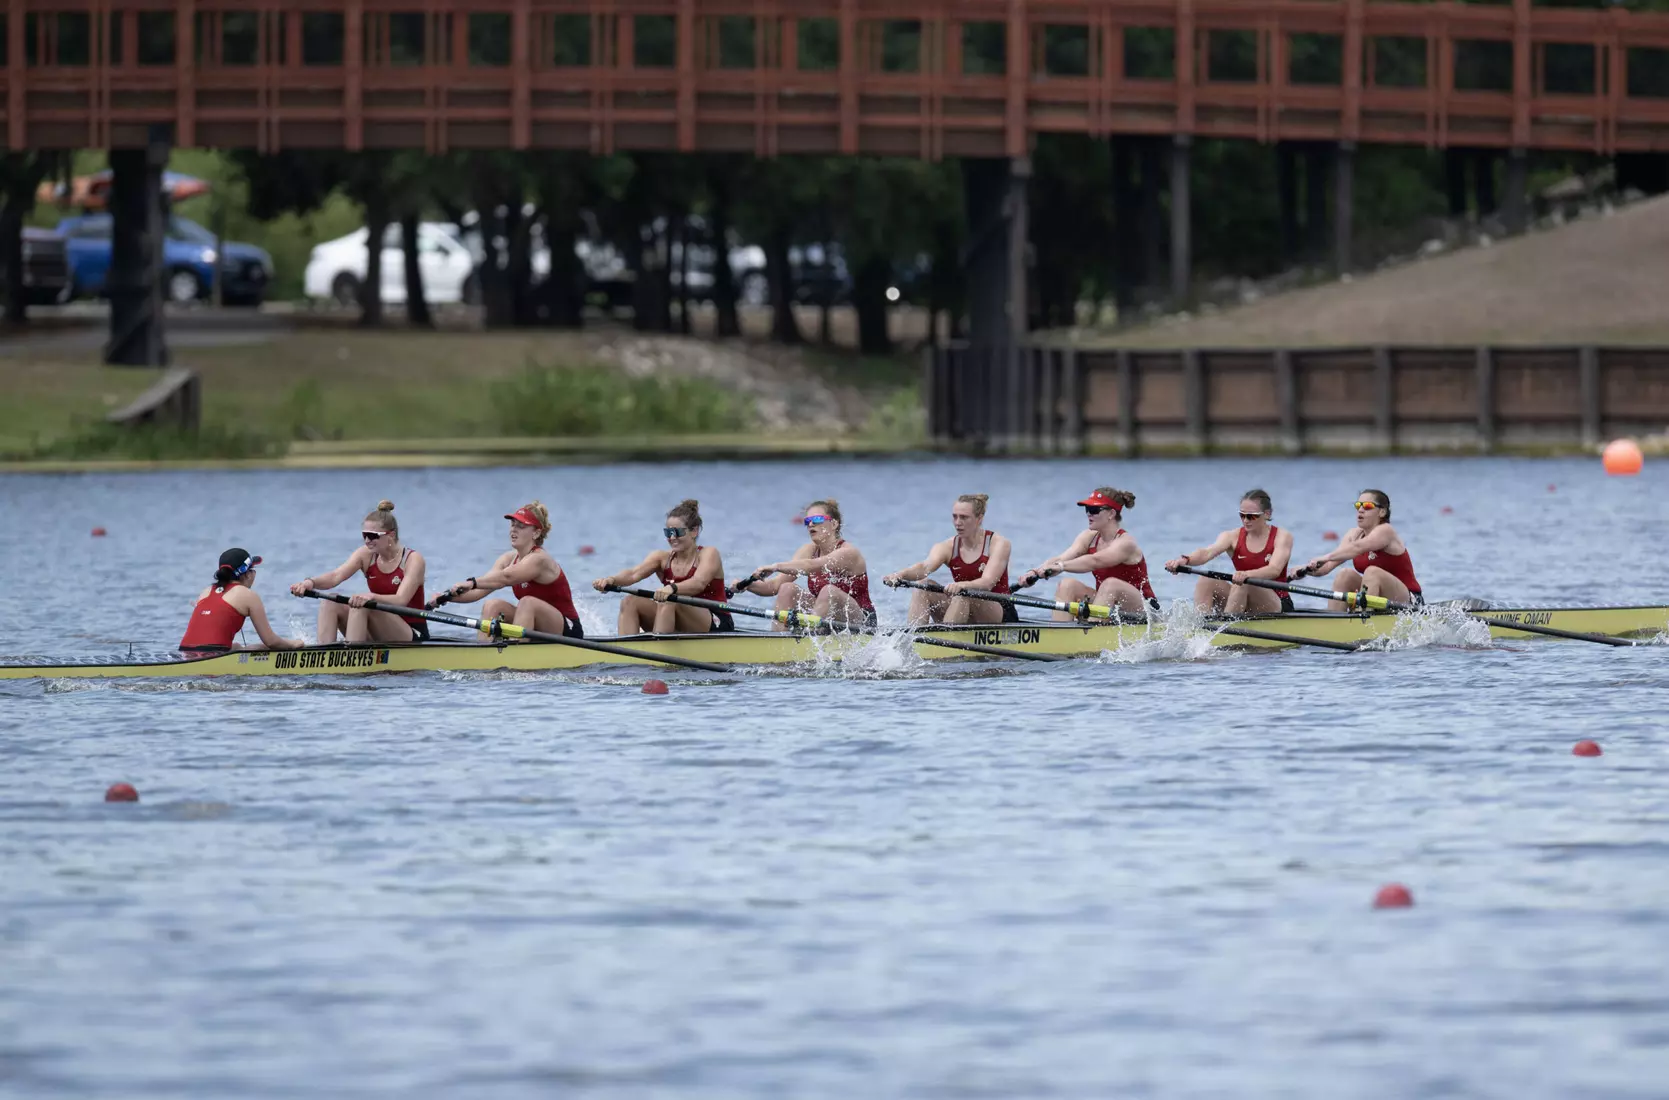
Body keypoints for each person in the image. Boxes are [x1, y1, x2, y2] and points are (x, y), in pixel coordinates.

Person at [434, 501, 584, 637]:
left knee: (527, 603)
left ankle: (516, 658)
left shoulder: (539, 559)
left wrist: (472, 582)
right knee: (492, 605)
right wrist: (444, 597)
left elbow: (506, 578)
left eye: (521, 526)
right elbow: (478, 591)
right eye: (513, 524)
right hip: (536, 626)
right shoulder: (507, 559)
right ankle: (483, 656)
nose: (514, 530)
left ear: (536, 533)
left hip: (566, 628)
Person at [290, 500, 429, 643]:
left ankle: (353, 656)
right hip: (378, 628)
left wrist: (371, 597)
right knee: (330, 602)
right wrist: (309, 583)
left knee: (362, 605)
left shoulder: (413, 560)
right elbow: (335, 576)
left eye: (373, 535)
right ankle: (323, 656)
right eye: (365, 535)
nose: (367, 541)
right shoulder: (366, 555)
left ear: (391, 535)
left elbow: (401, 600)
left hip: (411, 632)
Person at [592, 499, 733, 635]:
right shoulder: (661, 558)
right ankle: (625, 651)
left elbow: (698, 583)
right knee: (629, 601)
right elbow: (633, 574)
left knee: (669, 599)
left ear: (694, 531)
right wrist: (611, 580)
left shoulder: (709, 554)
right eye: (668, 533)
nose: (672, 538)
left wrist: (672, 588)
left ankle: (658, 648)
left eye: (677, 532)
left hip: (715, 619)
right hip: (676, 612)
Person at [733, 498, 877, 631]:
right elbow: (774, 586)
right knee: (787, 588)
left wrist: (776, 566)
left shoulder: (848, 552)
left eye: (817, 519)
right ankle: (778, 641)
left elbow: (810, 565)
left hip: (861, 622)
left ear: (834, 524)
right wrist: (746, 585)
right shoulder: (808, 550)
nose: (811, 524)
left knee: (829, 591)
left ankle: (810, 640)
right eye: (807, 521)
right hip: (825, 618)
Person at [1017, 487, 1157, 621]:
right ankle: (1059, 635)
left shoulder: (1126, 543)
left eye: (1094, 510)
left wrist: (1061, 567)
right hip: (1109, 605)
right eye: (1087, 509)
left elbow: (1095, 561)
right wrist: (1035, 572)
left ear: (1111, 514)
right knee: (1067, 584)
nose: (1089, 514)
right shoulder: (1089, 537)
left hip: (1143, 611)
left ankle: (1091, 632)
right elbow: (1061, 558)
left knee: (1110, 585)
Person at [882, 493, 1016, 625]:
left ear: (979, 519)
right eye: (955, 517)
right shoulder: (947, 547)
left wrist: (962, 585)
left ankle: (946, 642)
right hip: (962, 603)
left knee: (964, 594)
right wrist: (900, 575)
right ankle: (913, 640)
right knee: (923, 587)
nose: (958, 523)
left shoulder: (999, 544)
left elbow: (987, 582)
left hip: (999, 610)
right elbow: (924, 567)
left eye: (964, 517)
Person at [1163, 489, 1295, 614]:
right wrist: (1185, 560)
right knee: (1206, 580)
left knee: (1244, 582)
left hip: (1277, 602)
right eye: (1242, 515)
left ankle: (1226, 632)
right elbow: (1206, 553)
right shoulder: (1232, 536)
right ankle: (1202, 628)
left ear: (1267, 514)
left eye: (1251, 517)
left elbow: (1274, 569)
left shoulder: (1282, 537)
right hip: (1241, 595)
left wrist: (1246, 574)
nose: (1245, 520)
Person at [1297, 489, 1423, 609]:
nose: (1361, 510)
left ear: (1382, 512)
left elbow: (1358, 548)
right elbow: (1326, 567)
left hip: (1409, 601)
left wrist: (1325, 557)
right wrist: (1305, 570)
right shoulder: (1353, 535)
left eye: (1367, 506)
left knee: (1372, 572)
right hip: (1379, 599)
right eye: (1358, 506)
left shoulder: (1386, 531)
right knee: (1344, 575)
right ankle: (1335, 623)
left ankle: (1364, 620)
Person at [179, 548, 304, 653]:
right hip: (213, 658)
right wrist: (293, 644)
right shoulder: (249, 596)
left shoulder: (205, 591)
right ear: (248, 574)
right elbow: (271, 641)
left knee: (239, 647)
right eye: (253, 570)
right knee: (267, 646)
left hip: (184, 652)